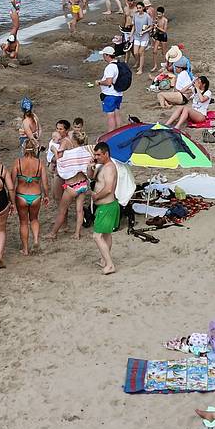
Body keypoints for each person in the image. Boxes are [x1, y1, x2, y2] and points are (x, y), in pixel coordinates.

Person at [8, 145, 46, 255]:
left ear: (24, 149)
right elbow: (45, 183)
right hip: (36, 195)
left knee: (23, 222)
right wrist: (46, 195)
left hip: (21, 195)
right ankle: (35, 240)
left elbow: (12, 183)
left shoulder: (18, 162)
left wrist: (11, 200)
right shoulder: (39, 163)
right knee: (34, 219)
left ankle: (25, 249)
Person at [90, 141, 119, 276]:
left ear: (106, 154)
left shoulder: (109, 168)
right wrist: (90, 166)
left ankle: (110, 264)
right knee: (106, 234)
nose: (96, 157)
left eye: (98, 155)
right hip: (104, 206)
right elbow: (92, 177)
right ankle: (104, 260)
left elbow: (108, 189)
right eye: (95, 154)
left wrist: (96, 196)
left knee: (97, 236)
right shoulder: (101, 166)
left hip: (107, 205)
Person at [97, 46, 125, 131]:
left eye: (104, 55)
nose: (103, 57)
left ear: (107, 55)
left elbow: (108, 82)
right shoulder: (119, 64)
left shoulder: (110, 67)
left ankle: (110, 134)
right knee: (117, 113)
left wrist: (99, 82)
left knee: (110, 115)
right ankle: (119, 132)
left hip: (110, 95)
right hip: (118, 93)